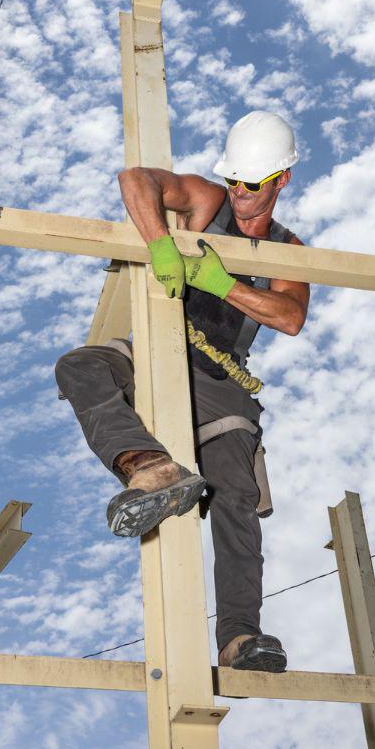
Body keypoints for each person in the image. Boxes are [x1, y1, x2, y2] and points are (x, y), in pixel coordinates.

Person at [54, 110, 309, 672]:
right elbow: (135, 180)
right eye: (236, 180)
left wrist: (224, 283)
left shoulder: (288, 250)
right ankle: (149, 467)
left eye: (254, 184)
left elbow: (291, 316)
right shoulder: (207, 202)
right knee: (80, 367)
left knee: (236, 499)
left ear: (282, 180)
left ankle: (241, 638)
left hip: (219, 377)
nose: (240, 193)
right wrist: (162, 244)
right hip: (156, 349)